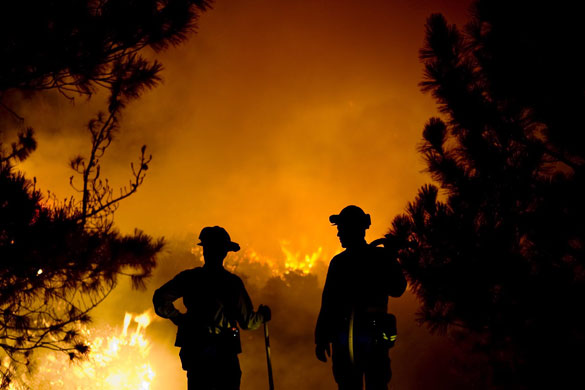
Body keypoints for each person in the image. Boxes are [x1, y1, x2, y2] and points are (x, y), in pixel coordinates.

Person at [153, 226, 271, 390]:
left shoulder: (190, 278)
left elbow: (160, 298)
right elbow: (247, 322)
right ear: (224, 253)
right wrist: (263, 316)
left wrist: (179, 318)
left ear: (205, 251)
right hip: (224, 355)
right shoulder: (231, 283)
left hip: (197, 353)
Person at [315, 205, 407, 390]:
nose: (338, 234)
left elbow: (397, 288)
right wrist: (321, 337)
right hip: (361, 339)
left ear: (353, 229)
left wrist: (391, 259)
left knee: (363, 383)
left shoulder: (344, 262)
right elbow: (329, 303)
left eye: (341, 229)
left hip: (360, 339)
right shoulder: (371, 258)